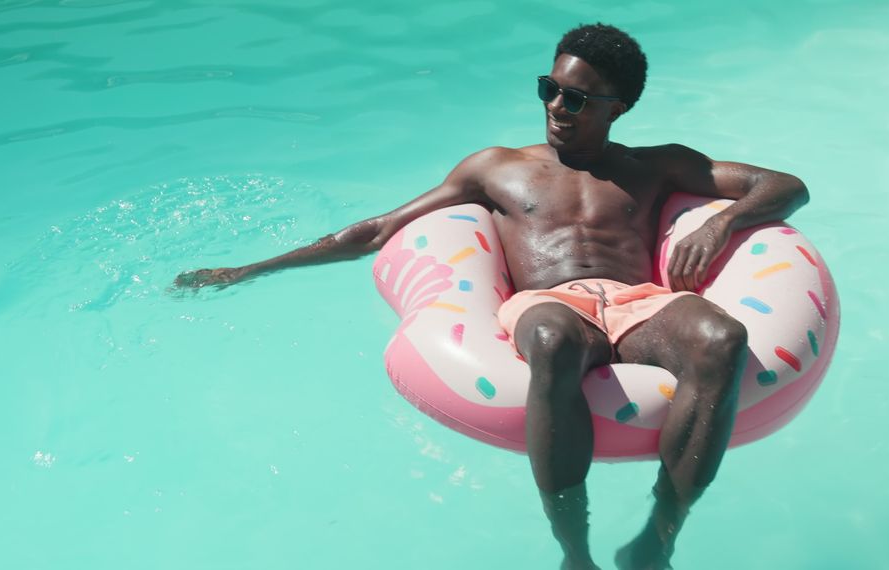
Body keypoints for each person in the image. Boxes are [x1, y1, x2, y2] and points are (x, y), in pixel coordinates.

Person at [176, 23, 808, 570]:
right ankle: (574, 550)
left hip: (638, 299)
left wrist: (724, 222)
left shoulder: (657, 163)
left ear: (619, 107)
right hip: (550, 304)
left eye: (578, 98)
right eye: (549, 89)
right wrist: (250, 269)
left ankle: (656, 540)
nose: (557, 106)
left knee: (721, 339)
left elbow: (784, 186)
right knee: (557, 341)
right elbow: (375, 230)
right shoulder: (498, 167)